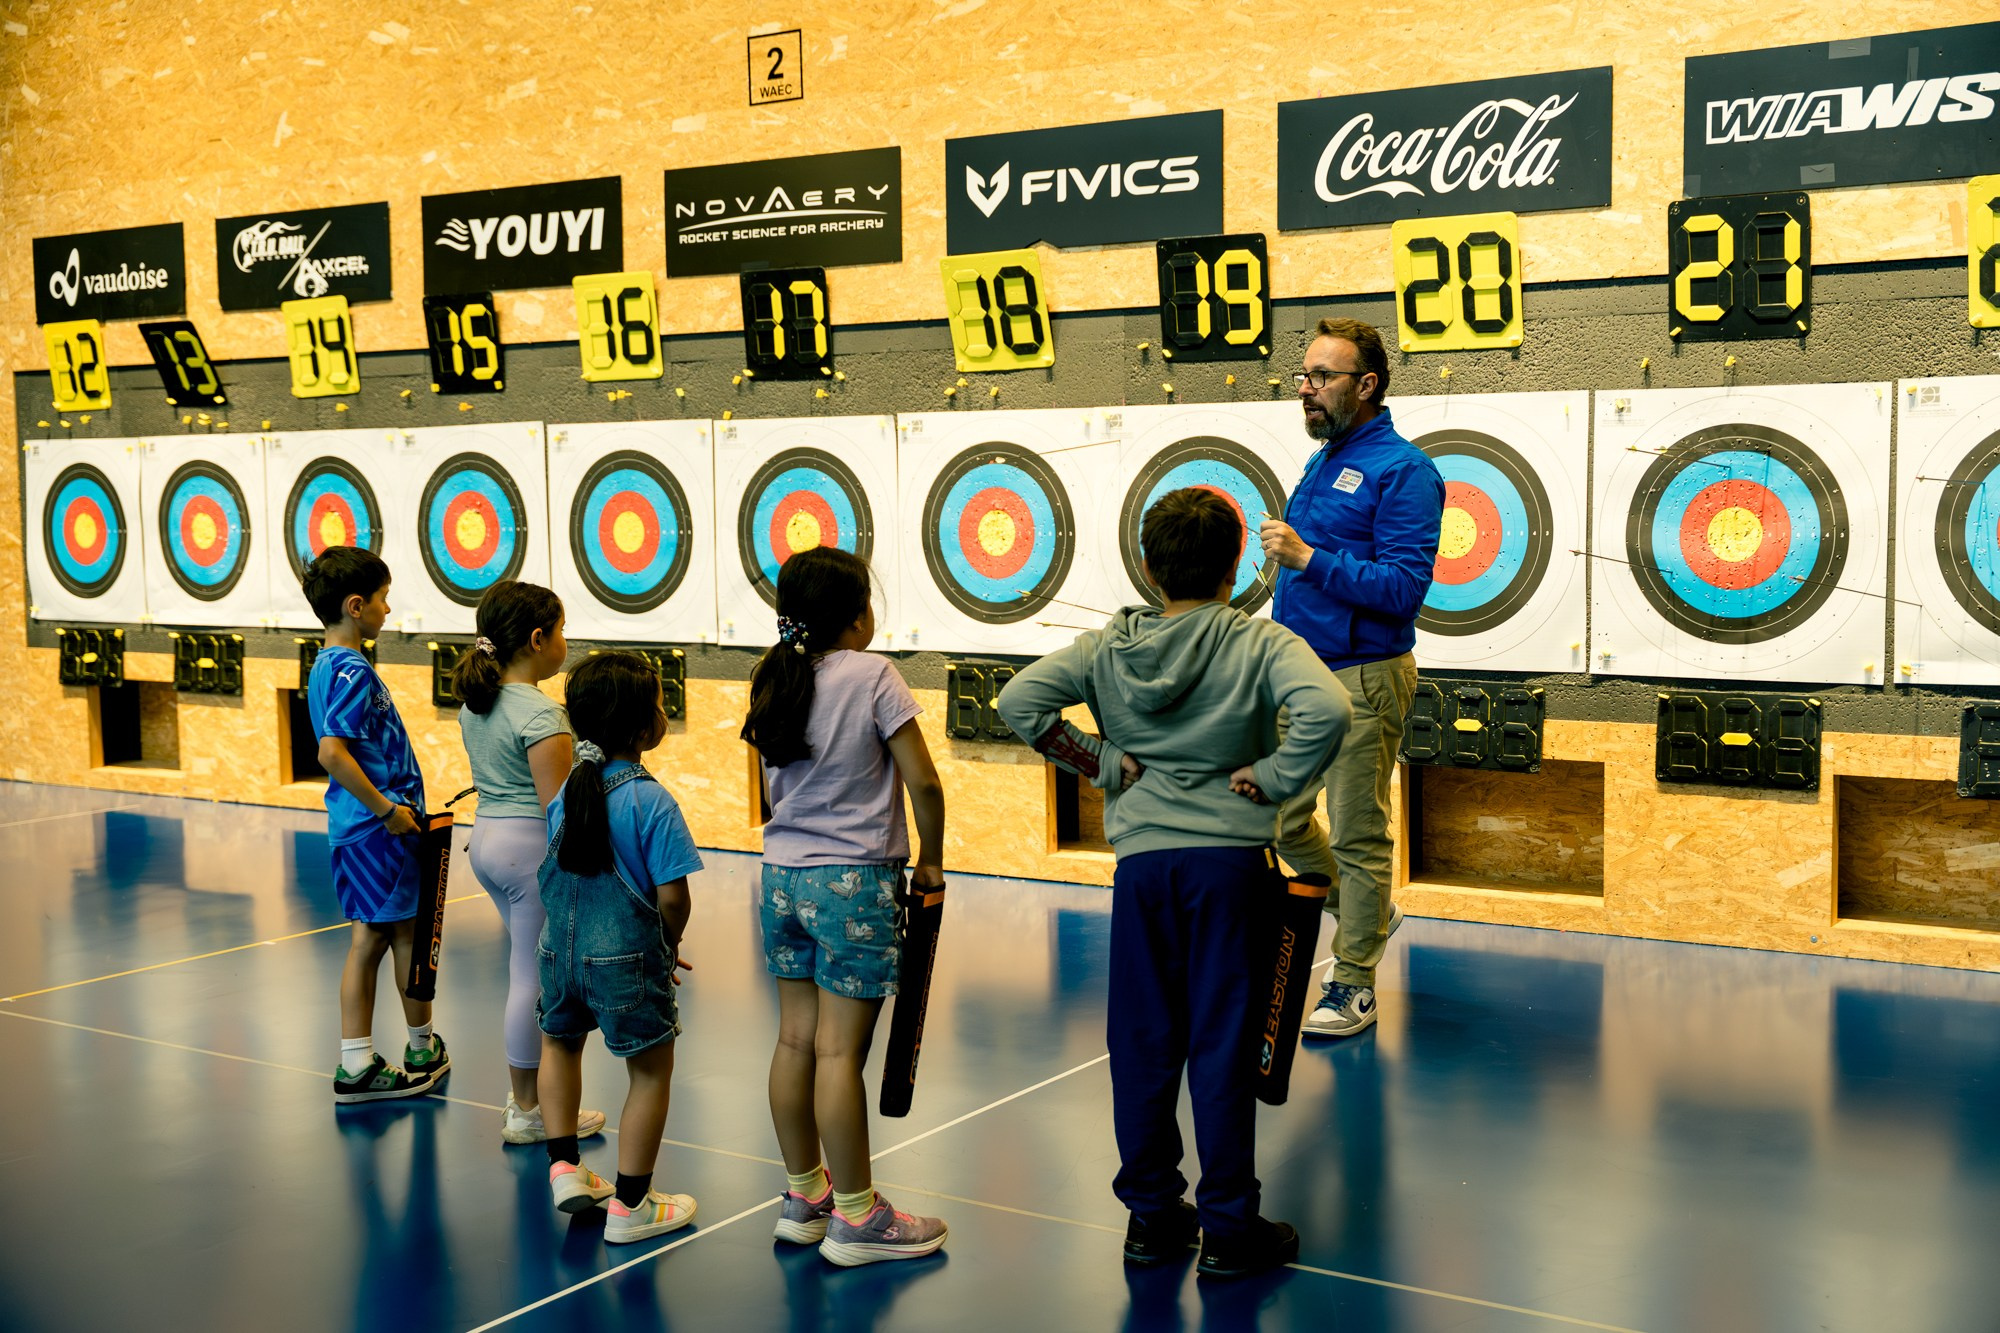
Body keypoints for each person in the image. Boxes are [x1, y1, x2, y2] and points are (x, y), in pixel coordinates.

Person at [998, 488, 1351, 1281]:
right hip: (1231, 867)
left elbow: (1020, 701)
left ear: (1151, 569)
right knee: (1222, 1042)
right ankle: (1228, 1227)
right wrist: (1273, 774)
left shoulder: (1105, 647)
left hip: (1144, 869)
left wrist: (1098, 760)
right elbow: (1326, 707)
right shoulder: (1260, 642)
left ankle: (1153, 1218)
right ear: (1235, 566)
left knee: (1145, 1040)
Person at [742, 546, 949, 1268]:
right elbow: (921, 779)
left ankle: (807, 1197)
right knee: (837, 1052)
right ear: (857, 614)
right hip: (854, 883)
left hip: (780, 880)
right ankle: (858, 1215)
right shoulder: (872, 674)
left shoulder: (773, 672)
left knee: (796, 1041)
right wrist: (931, 857)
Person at [1259, 317, 1445, 1040]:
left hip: (1365, 677)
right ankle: (1367, 912)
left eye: (1322, 377)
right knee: (1277, 816)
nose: (1305, 389)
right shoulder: (1327, 457)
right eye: (1303, 376)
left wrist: (1308, 557)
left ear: (1366, 385)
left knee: (1362, 835)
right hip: (1301, 677)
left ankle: (1354, 980)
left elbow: (1404, 588)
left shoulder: (1403, 470)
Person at [537, 651, 702, 1244]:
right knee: (651, 1072)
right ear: (641, 727)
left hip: (558, 955)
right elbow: (673, 898)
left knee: (559, 1044)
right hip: (626, 961)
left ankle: (564, 1168)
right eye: (659, 703)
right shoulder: (650, 800)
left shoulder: (567, 794)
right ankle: (632, 1206)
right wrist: (666, 942)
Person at [452, 580, 604, 1146]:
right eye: (561, 630)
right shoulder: (542, 713)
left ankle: (533, 1104)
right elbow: (559, 810)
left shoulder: (478, 703)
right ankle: (528, 1110)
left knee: (524, 972)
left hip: (487, 843)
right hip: (527, 850)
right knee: (530, 979)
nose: (565, 641)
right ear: (538, 639)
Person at [302, 545, 451, 1103]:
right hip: (378, 830)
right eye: (384, 601)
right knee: (401, 937)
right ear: (356, 606)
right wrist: (389, 810)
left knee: (370, 937)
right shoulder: (352, 668)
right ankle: (413, 1048)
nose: (389, 611)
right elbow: (332, 753)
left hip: (360, 827)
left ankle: (362, 1059)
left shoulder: (324, 664)